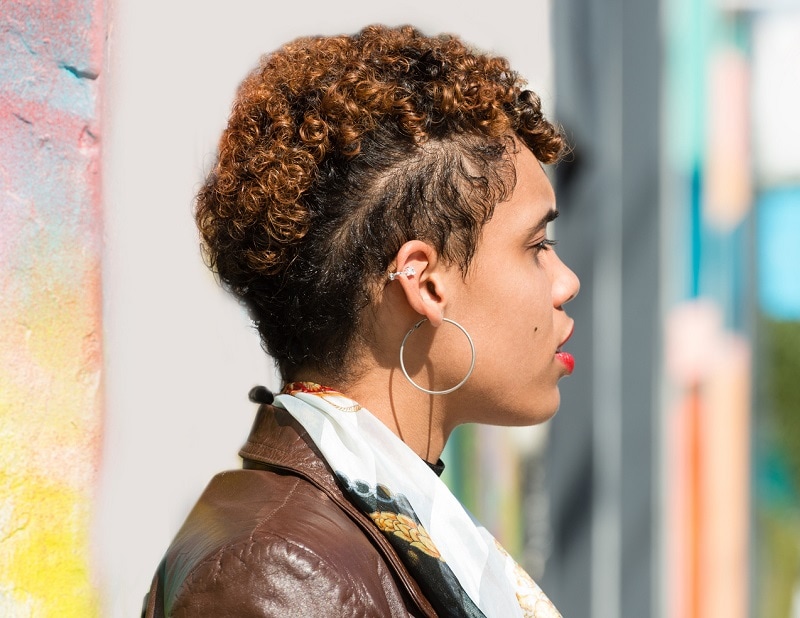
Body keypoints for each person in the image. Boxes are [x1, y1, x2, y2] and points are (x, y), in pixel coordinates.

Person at [143, 24, 579, 618]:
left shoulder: (371, 529)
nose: (566, 283)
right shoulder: (279, 575)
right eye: (537, 245)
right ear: (425, 282)